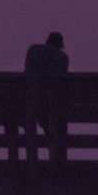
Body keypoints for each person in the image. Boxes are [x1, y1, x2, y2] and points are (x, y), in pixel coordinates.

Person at [23, 31, 68, 161]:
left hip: (30, 99)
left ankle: (34, 158)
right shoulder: (62, 58)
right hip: (52, 102)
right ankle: (58, 157)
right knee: (53, 122)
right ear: (60, 44)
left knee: (37, 117)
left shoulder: (34, 50)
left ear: (47, 40)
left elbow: (27, 71)